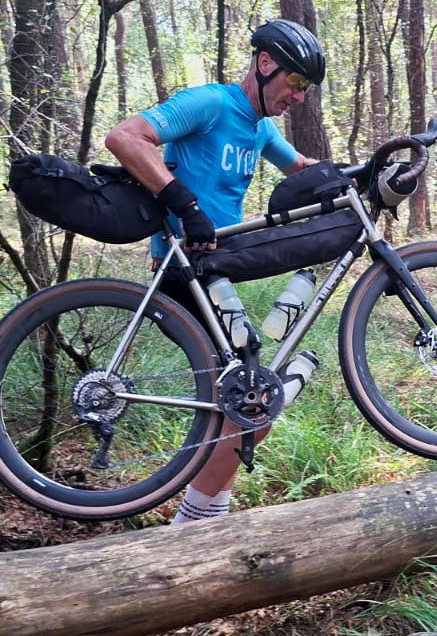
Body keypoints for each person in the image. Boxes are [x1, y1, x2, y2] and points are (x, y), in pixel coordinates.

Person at [104, 19, 326, 524]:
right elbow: (125, 137)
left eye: (306, 90)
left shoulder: (260, 127)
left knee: (246, 388)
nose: (299, 98)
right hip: (184, 267)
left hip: (216, 269)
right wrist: (183, 202)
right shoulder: (209, 103)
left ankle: (211, 508)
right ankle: (198, 519)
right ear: (266, 63)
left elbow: (304, 169)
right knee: (257, 393)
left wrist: (367, 176)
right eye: (296, 84)